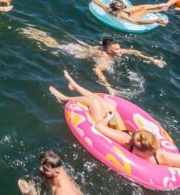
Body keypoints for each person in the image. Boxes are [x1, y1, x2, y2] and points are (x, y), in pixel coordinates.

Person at [51, 71, 180, 169]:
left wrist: (107, 118)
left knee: (95, 102)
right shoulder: (160, 156)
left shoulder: (126, 140)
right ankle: (75, 86)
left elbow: (99, 128)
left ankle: (64, 98)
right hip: (119, 129)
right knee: (108, 105)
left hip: (108, 128)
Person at [19, 28, 167, 93]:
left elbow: (133, 51)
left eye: (119, 48)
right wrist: (109, 87)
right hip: (75, 52)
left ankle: (34, 33)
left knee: (53, 43)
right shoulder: (105, 58)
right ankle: (31, 34)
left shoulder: (114, 51)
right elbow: (97, 70)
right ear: (108, 50)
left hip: (81, 48)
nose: (119, 51)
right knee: (50, 46)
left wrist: (152, 59)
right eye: (115, 50)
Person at [86, 0, 172, 27]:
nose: (124, 6)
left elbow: (97, 2)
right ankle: (158, 10)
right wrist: (155, 20)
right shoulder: (121, 14)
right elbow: (137, 22)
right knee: (144, 10)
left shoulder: (108, 8)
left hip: (124, 12)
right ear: (121, 8)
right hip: (130, 15)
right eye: (123, 6)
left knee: (141, 6)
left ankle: (160, 5)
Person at [18, 150, 83, 195]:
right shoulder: (58, 168)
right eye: (41, 165)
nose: (40, 169)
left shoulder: (60, 192)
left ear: (56, 173)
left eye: (45, 169)